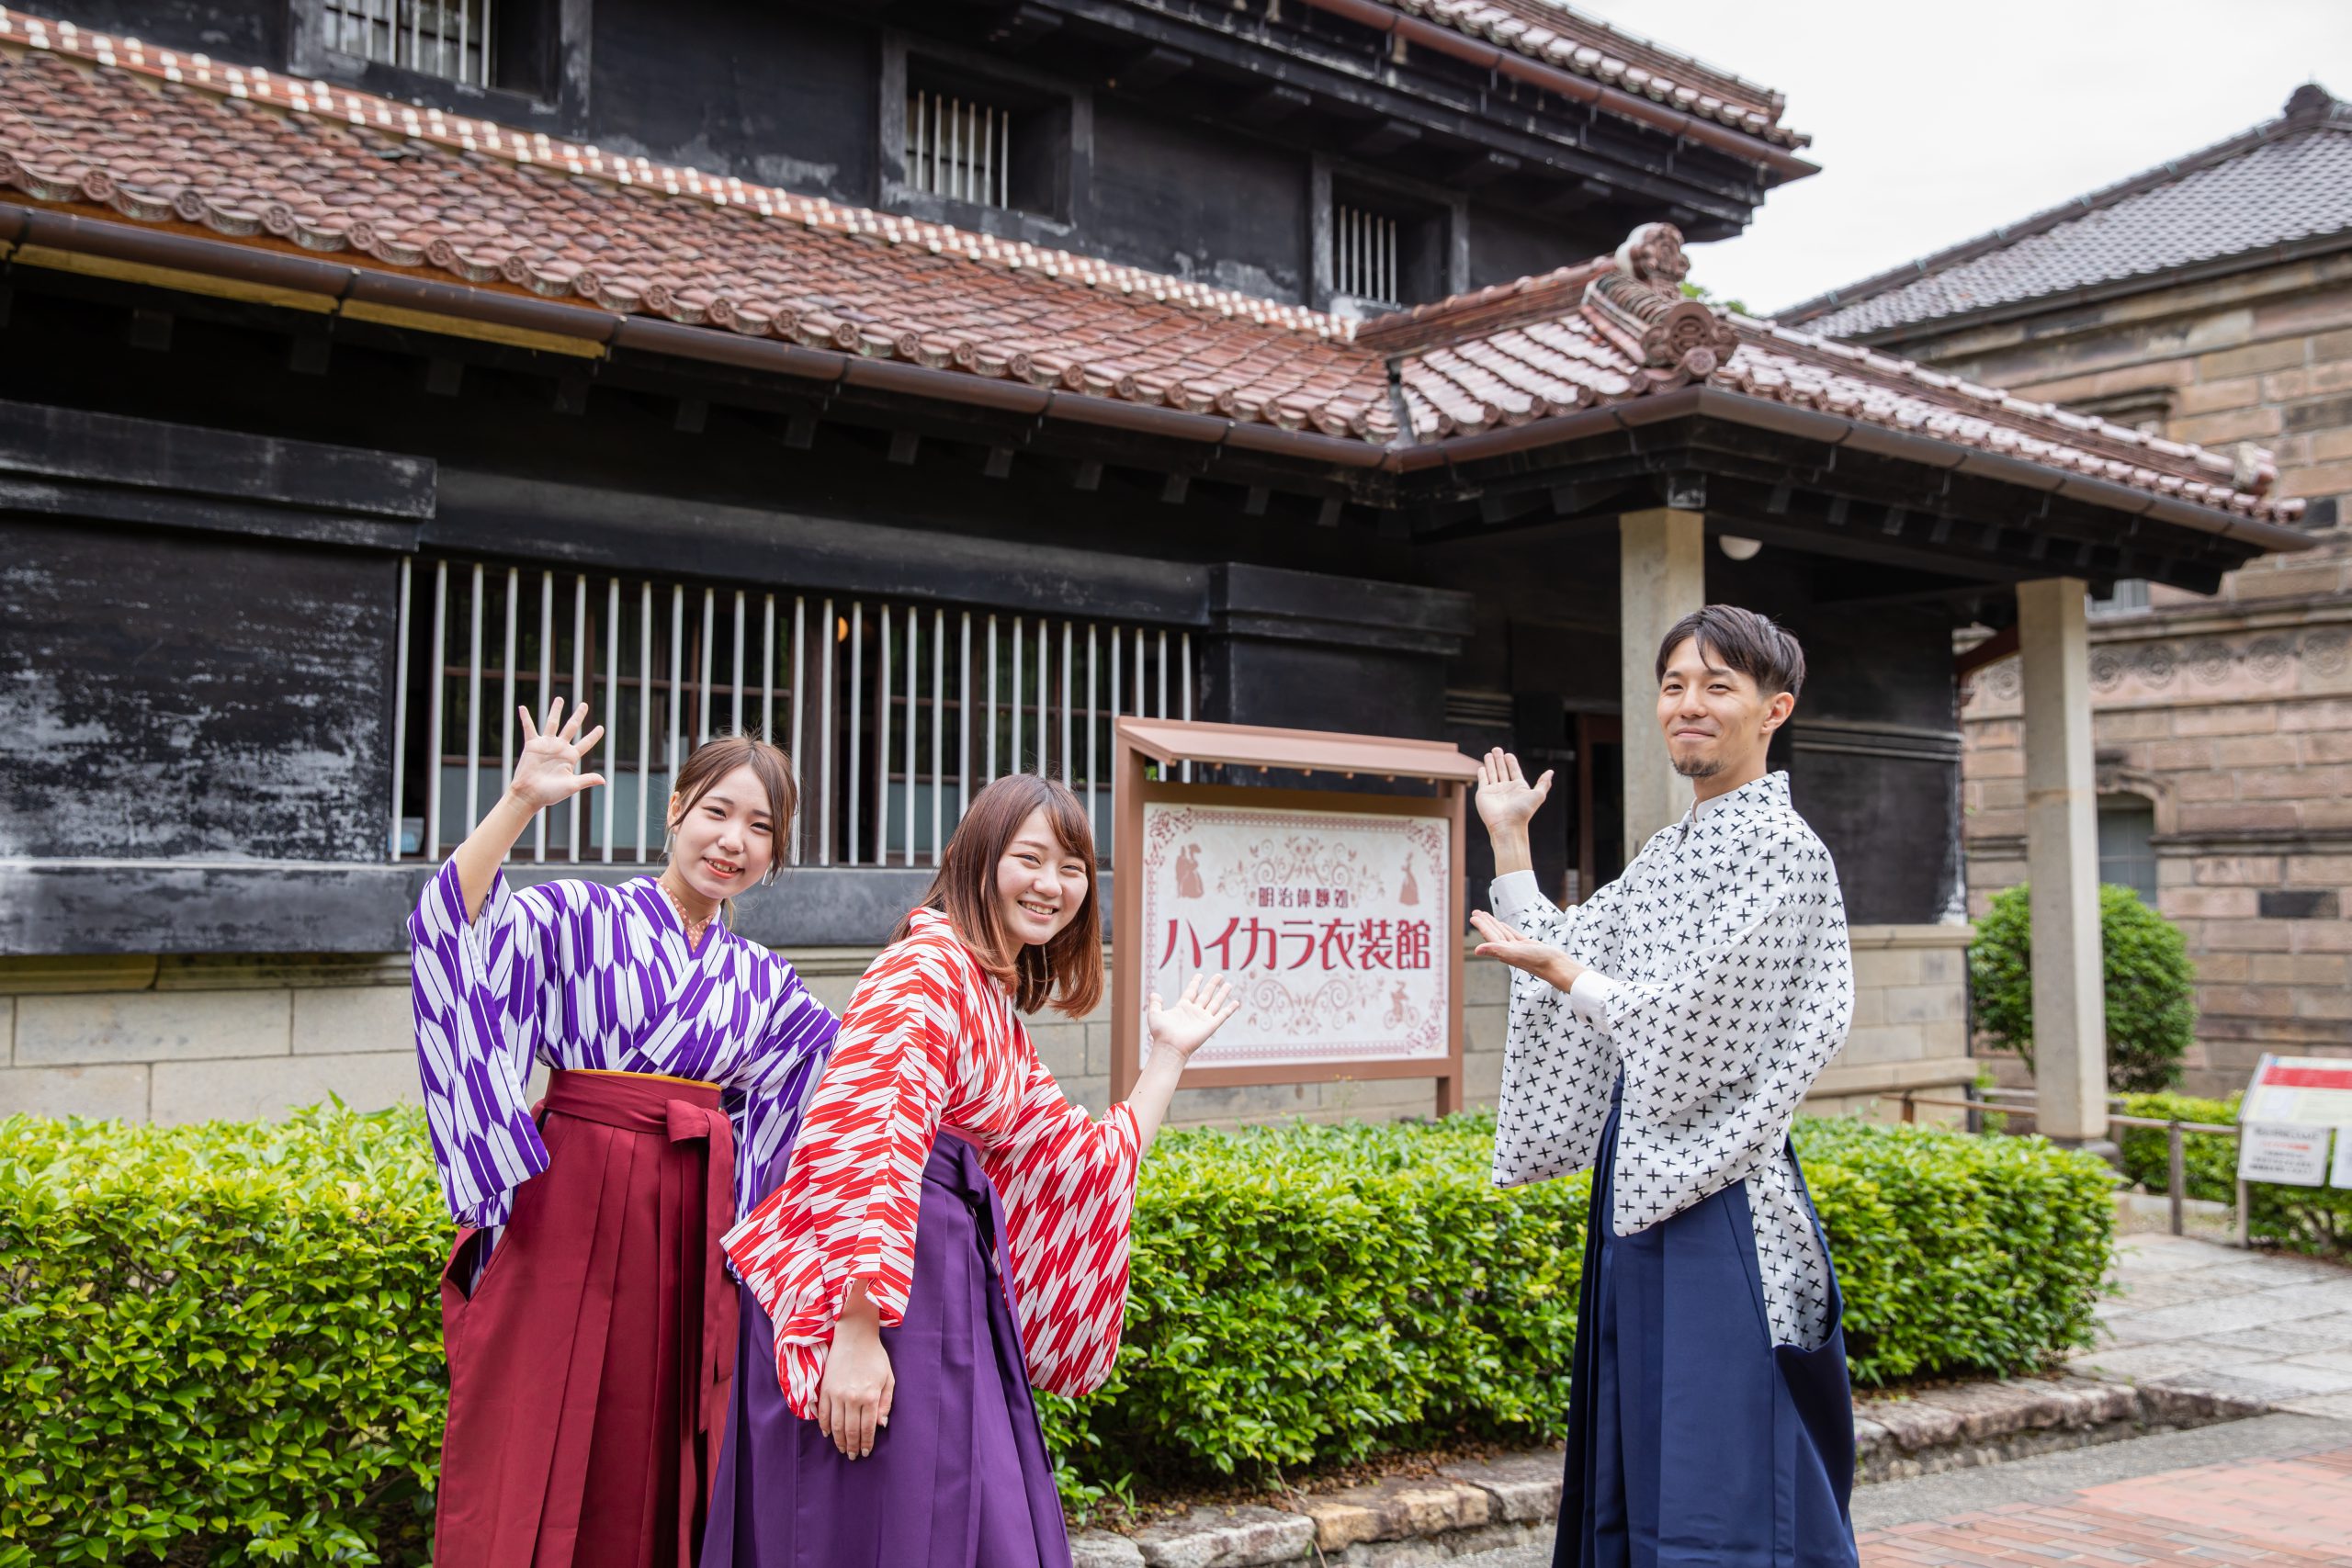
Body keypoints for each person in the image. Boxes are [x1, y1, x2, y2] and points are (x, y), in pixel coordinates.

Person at [712, 773, 1239, 1568]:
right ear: (980, 857)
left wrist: (1168, 1053)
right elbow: (867, 1140)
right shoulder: (924, 968)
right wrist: (853, 1332)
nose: (1051, 884)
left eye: (1070, 867)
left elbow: (1079, 1161)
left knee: (953, 1519)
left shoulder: (983, 995)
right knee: (883, 1523)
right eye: (1030, 858)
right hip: (882, 1292)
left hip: (938, 1278)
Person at [1468, 605, 1859, 1568]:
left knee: (1727, 1459)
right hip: (1645, 1182)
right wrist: (1511, 844)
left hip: (1723, 1191)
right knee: (1641, 1443)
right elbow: (1576, 955)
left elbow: (1696, 1022)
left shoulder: (1784, 852)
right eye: (1675, 684)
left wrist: (1573, 980)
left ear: (1775, 709)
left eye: (1716, 686)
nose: (1688, 704)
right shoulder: (1672, 852)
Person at [410, 700, 839, 1568]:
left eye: (760, 827)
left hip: (693, 1224)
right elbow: (449, 927)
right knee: (538, 1419)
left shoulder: (762, 979)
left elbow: (836, 1082)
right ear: (675, 807)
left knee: (665, 1442)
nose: (733, 840)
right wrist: (520, 804)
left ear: (774, 853)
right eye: (717, 810)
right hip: (567, 1198)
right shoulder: (574, 916)